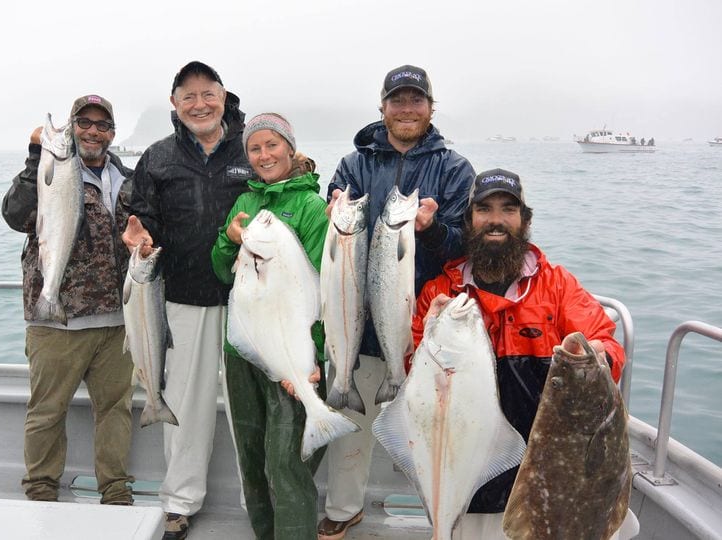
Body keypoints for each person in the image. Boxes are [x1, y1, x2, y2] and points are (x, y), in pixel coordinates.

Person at [412, 168, 637, 539]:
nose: (496, 220)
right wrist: (430, 340)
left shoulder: (557, 284)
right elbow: (413, 376)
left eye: (508, 209)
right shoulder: (440, 294)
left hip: (551, 468)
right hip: (471, 473)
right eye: (484, 209)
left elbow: (608, 344)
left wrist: (599, 357)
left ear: (525, 220)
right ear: (469, 221)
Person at [318, 64, 475, 540]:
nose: (407, 109)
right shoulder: (355, 162)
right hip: (358, 325)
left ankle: (443, 513)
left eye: (416, 100)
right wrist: (333, 204)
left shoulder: (453, 168)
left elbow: (463, 244)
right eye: (397, 100)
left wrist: (431, 229)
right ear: (383, 107)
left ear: (430, 107)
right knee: (351, 423)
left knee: (434, 429)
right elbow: (339, 204)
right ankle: (345, 507)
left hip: (429, 325)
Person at [121, 61, 254, 540]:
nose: (200, 104)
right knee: (184, 407)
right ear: (175, 104)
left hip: (249, 302)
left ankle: (260, 499)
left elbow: (281, 189)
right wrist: (139, 234)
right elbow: (141, 215)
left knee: (250, 409)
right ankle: (179, 502)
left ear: (224, 96)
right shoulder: (157, 157)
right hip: (179, 299)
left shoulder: (250, 148)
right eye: (189, 96)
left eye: (208, 94)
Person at [1, 94, 135, 505]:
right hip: (56, 318)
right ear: (70, 127)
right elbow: (14, 215)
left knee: (115, 412)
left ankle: (114, 490)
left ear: (112, 133)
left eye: (102, 125)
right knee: (47, 411)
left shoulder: (128, 179)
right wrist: (33, 156)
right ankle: (41, 488)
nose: (93, 131)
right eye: (84, 122)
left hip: (116, 322)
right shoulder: (46, 169)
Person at [211, 113, 328, 540]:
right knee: (252, 455)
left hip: (292, 351)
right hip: (244, 349)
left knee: (287, 460)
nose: (264, 155)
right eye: (255, 148)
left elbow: (323, 289)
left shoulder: (313, 208)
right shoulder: (245, 203)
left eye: (272, 145)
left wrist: (312, 359)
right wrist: (228, 239)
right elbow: (223, 272)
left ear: (290, 149)